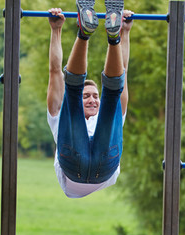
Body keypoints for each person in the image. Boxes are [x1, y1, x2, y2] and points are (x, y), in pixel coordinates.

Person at [46, 0, 133, 198]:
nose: (93, 100)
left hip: (81, 165)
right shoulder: (59, 115)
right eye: (87, 96)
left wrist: (123, 32)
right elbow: (54, 71)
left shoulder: (97, 119)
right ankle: (111, 38)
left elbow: (123, 70)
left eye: (95, 96)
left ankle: (87, 33)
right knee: (109, 95)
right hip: (96, 165)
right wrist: (124, 34)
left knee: (104, 97)